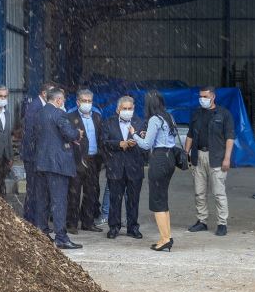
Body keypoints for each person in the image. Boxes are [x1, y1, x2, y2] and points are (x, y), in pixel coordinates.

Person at [35, 87, 83, 250]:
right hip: (57, 164)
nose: (63, 103)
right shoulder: (59, 114)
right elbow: (69, 134)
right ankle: (61, 237)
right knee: (59, 201)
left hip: (42, 162)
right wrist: (77, 133)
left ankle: (42, 232)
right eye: (62, 100)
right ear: (58, 100)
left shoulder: (39, 113)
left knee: (43, 200)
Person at [184, 86, 235, 237]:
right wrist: (185, 153)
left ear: (213, 96)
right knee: (199, 192)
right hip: (198, 156)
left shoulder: (224, 114)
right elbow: (190, 135)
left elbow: (230, 137)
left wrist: (227, 158)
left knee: (219, 193)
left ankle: (222, 223)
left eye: (205, 96)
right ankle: (202, 221)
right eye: (200, 96)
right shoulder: (196, 114)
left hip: (217, 158)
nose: (202, 99)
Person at [133, 90, 178, 252]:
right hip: (170, 158)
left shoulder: (154, 119)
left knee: (157, 200)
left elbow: (145, 145)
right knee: (163, 198)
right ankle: (166, 236)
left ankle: (165, 239)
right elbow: (163, 138)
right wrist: (147, 136)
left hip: (159, 159)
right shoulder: (168, 117)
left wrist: (135, 135)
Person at [102, 96, 146, 239]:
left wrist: (136, 143)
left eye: (130, 109)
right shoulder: (109, 123)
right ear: (118, 109)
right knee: (115, 199)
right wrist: (119, 144)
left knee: (133, 199)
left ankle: (133, 227)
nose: (127, 111)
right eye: (124, 109)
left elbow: (146, 145)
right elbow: (103, 142)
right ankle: (114, 227)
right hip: (116, 167)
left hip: (134, 167)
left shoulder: (140, 123)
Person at [66, 89, 104, 233]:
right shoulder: (70, 117)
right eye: (84, 101)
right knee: (74, 193)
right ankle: (72, 223)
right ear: (78, 102)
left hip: (93, 160)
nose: (87, 104)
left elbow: (101, 137)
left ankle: (88, 222)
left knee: (91, 192)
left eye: (89, 101)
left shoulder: (97, 117)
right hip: (77, 160)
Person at [21, 82, 55, 226]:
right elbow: (30, 133)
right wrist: (37, 154)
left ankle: (36, 219)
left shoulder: (42, 107)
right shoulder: (35, 107)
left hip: (39, 155)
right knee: (34, 189)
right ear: (44, 93)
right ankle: (30, 219)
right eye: (51, 93)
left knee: (38, 189)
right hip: (33, 156)